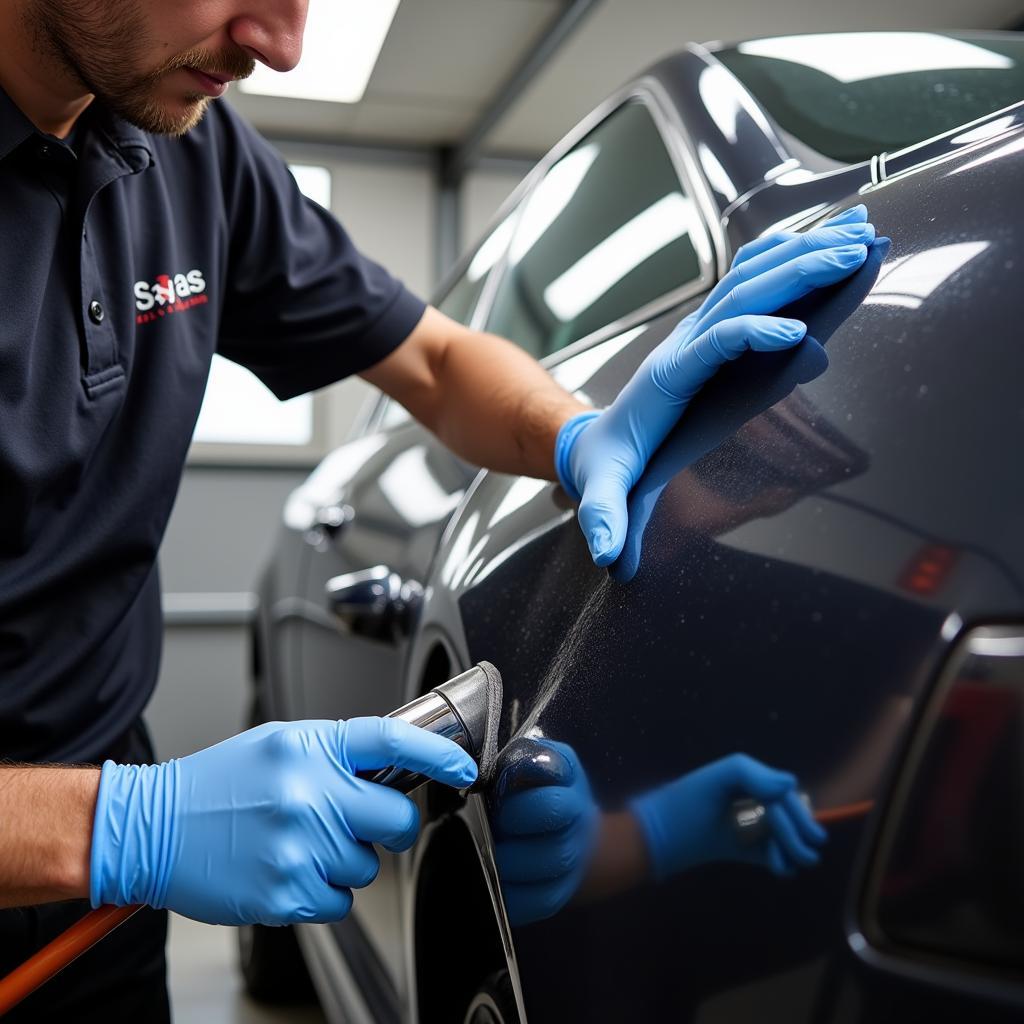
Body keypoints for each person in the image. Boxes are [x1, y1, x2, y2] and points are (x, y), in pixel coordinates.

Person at [0, 0, 876, 1017]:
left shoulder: (191, 151)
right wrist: (122, 827)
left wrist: (576, 431)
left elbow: (431, 358)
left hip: (96, 880)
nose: (280, 46)